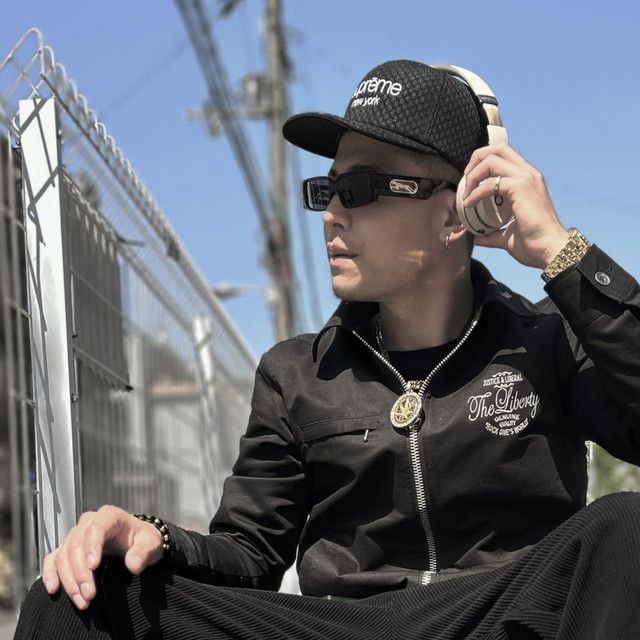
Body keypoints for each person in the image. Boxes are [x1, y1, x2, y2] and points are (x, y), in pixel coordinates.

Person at [13, 59, 640, 639]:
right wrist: (153, 537)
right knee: (76, 597)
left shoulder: (548, 341)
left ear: (457, 214)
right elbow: (249, 556)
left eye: (361, 188)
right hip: (347, 626)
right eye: (328, 189)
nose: (332, 214)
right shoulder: (296, 374)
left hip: (505, 615)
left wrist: (559, 251)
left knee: (626, 525)